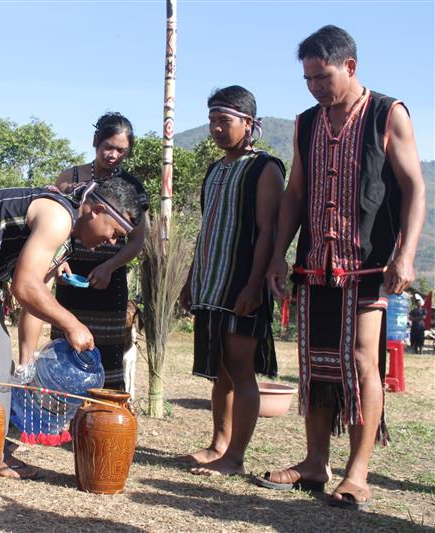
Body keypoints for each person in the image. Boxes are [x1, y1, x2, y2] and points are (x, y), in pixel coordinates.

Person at [257, 26, 426, 510]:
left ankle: (357, 473)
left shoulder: (387, 114)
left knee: (359, 360)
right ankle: (314, 464)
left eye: (322, 76)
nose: (314, 86)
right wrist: (277, 256)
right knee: (314, 365)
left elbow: (414, 187)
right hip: (314, 264)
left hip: (369, 264)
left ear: (349, 66)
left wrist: (406, 254)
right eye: (307, 78)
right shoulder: (306, 122)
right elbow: (295, 195)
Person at [0, 178, 145, 479]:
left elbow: (33, 284)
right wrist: (71, 323)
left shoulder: (66, 227)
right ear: (96, 210)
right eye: (114, 233)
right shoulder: (58, 218)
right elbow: (25, 286)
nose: (111, 243)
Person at [178, 86, 285, 476]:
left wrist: (254, 284)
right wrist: (191, 279)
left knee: (240, 368)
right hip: (210, 282)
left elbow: (268, 231)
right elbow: (208, 229)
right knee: (219, 367)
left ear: (249, 124)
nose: (216, 129)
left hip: (242, 282)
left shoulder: (265, 168)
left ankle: (235, 457)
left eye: (225, 121)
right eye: (212, 121)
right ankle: (217, 445)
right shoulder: (215, 169)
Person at [18, 112, 148, 391]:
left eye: (121, 150)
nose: (113, 155)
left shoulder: (132, 188)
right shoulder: (70, 177)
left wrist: (109, 266)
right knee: (68, 346)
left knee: (107, 356)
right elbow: (52, 220)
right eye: (108, 147)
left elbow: (137, 241)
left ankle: (100, 420)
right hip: (70, 277)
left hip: (108, 285)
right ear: (95, 141)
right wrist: (57, 261)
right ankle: (59, 411)